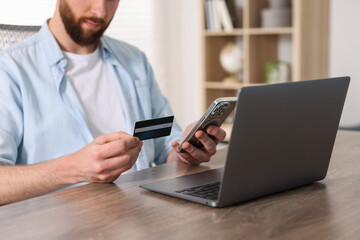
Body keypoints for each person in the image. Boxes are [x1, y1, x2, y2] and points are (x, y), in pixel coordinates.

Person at [0, 0, 226, 205]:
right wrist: (74, 169)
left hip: (142, 214)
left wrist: (187, 150)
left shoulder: (134, 61)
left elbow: (166, 146)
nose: (100, 11)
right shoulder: (9, 70)